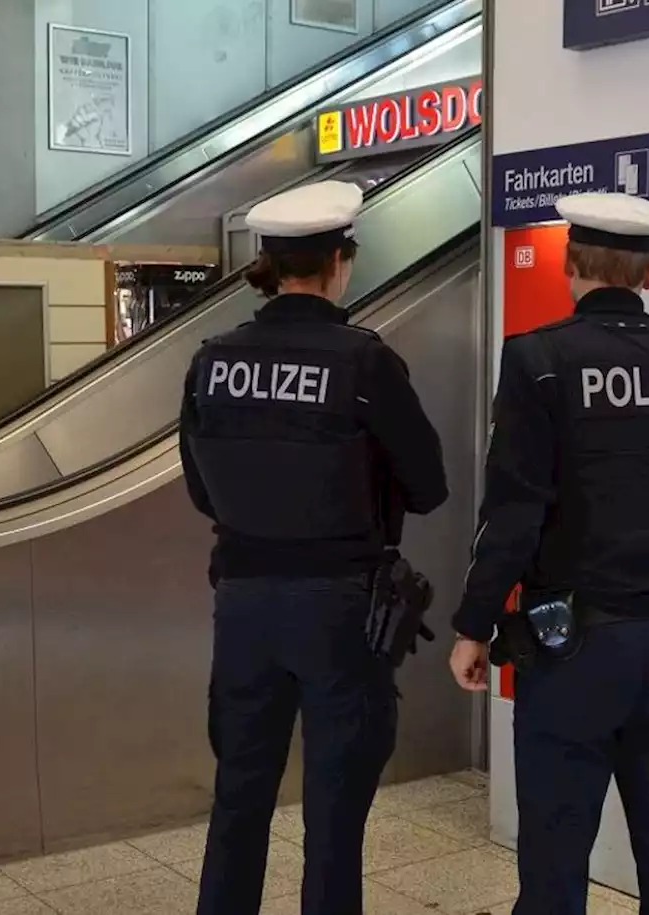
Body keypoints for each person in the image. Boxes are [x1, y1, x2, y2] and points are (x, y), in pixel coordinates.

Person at [448, 192, 649, 914]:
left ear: (570, 267)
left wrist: (473, 623)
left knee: (555, 859)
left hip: (572, 649)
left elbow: (513, 513)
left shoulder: (537, 363)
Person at [180, 179, 449, 915]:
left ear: (269, 263)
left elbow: (202, 489)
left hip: (241, 605)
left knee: (239, 800)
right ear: (340, 262)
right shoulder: (364, 363)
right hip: (340, 610)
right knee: (334, 817)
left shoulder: (213, 359)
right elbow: (429, 485)